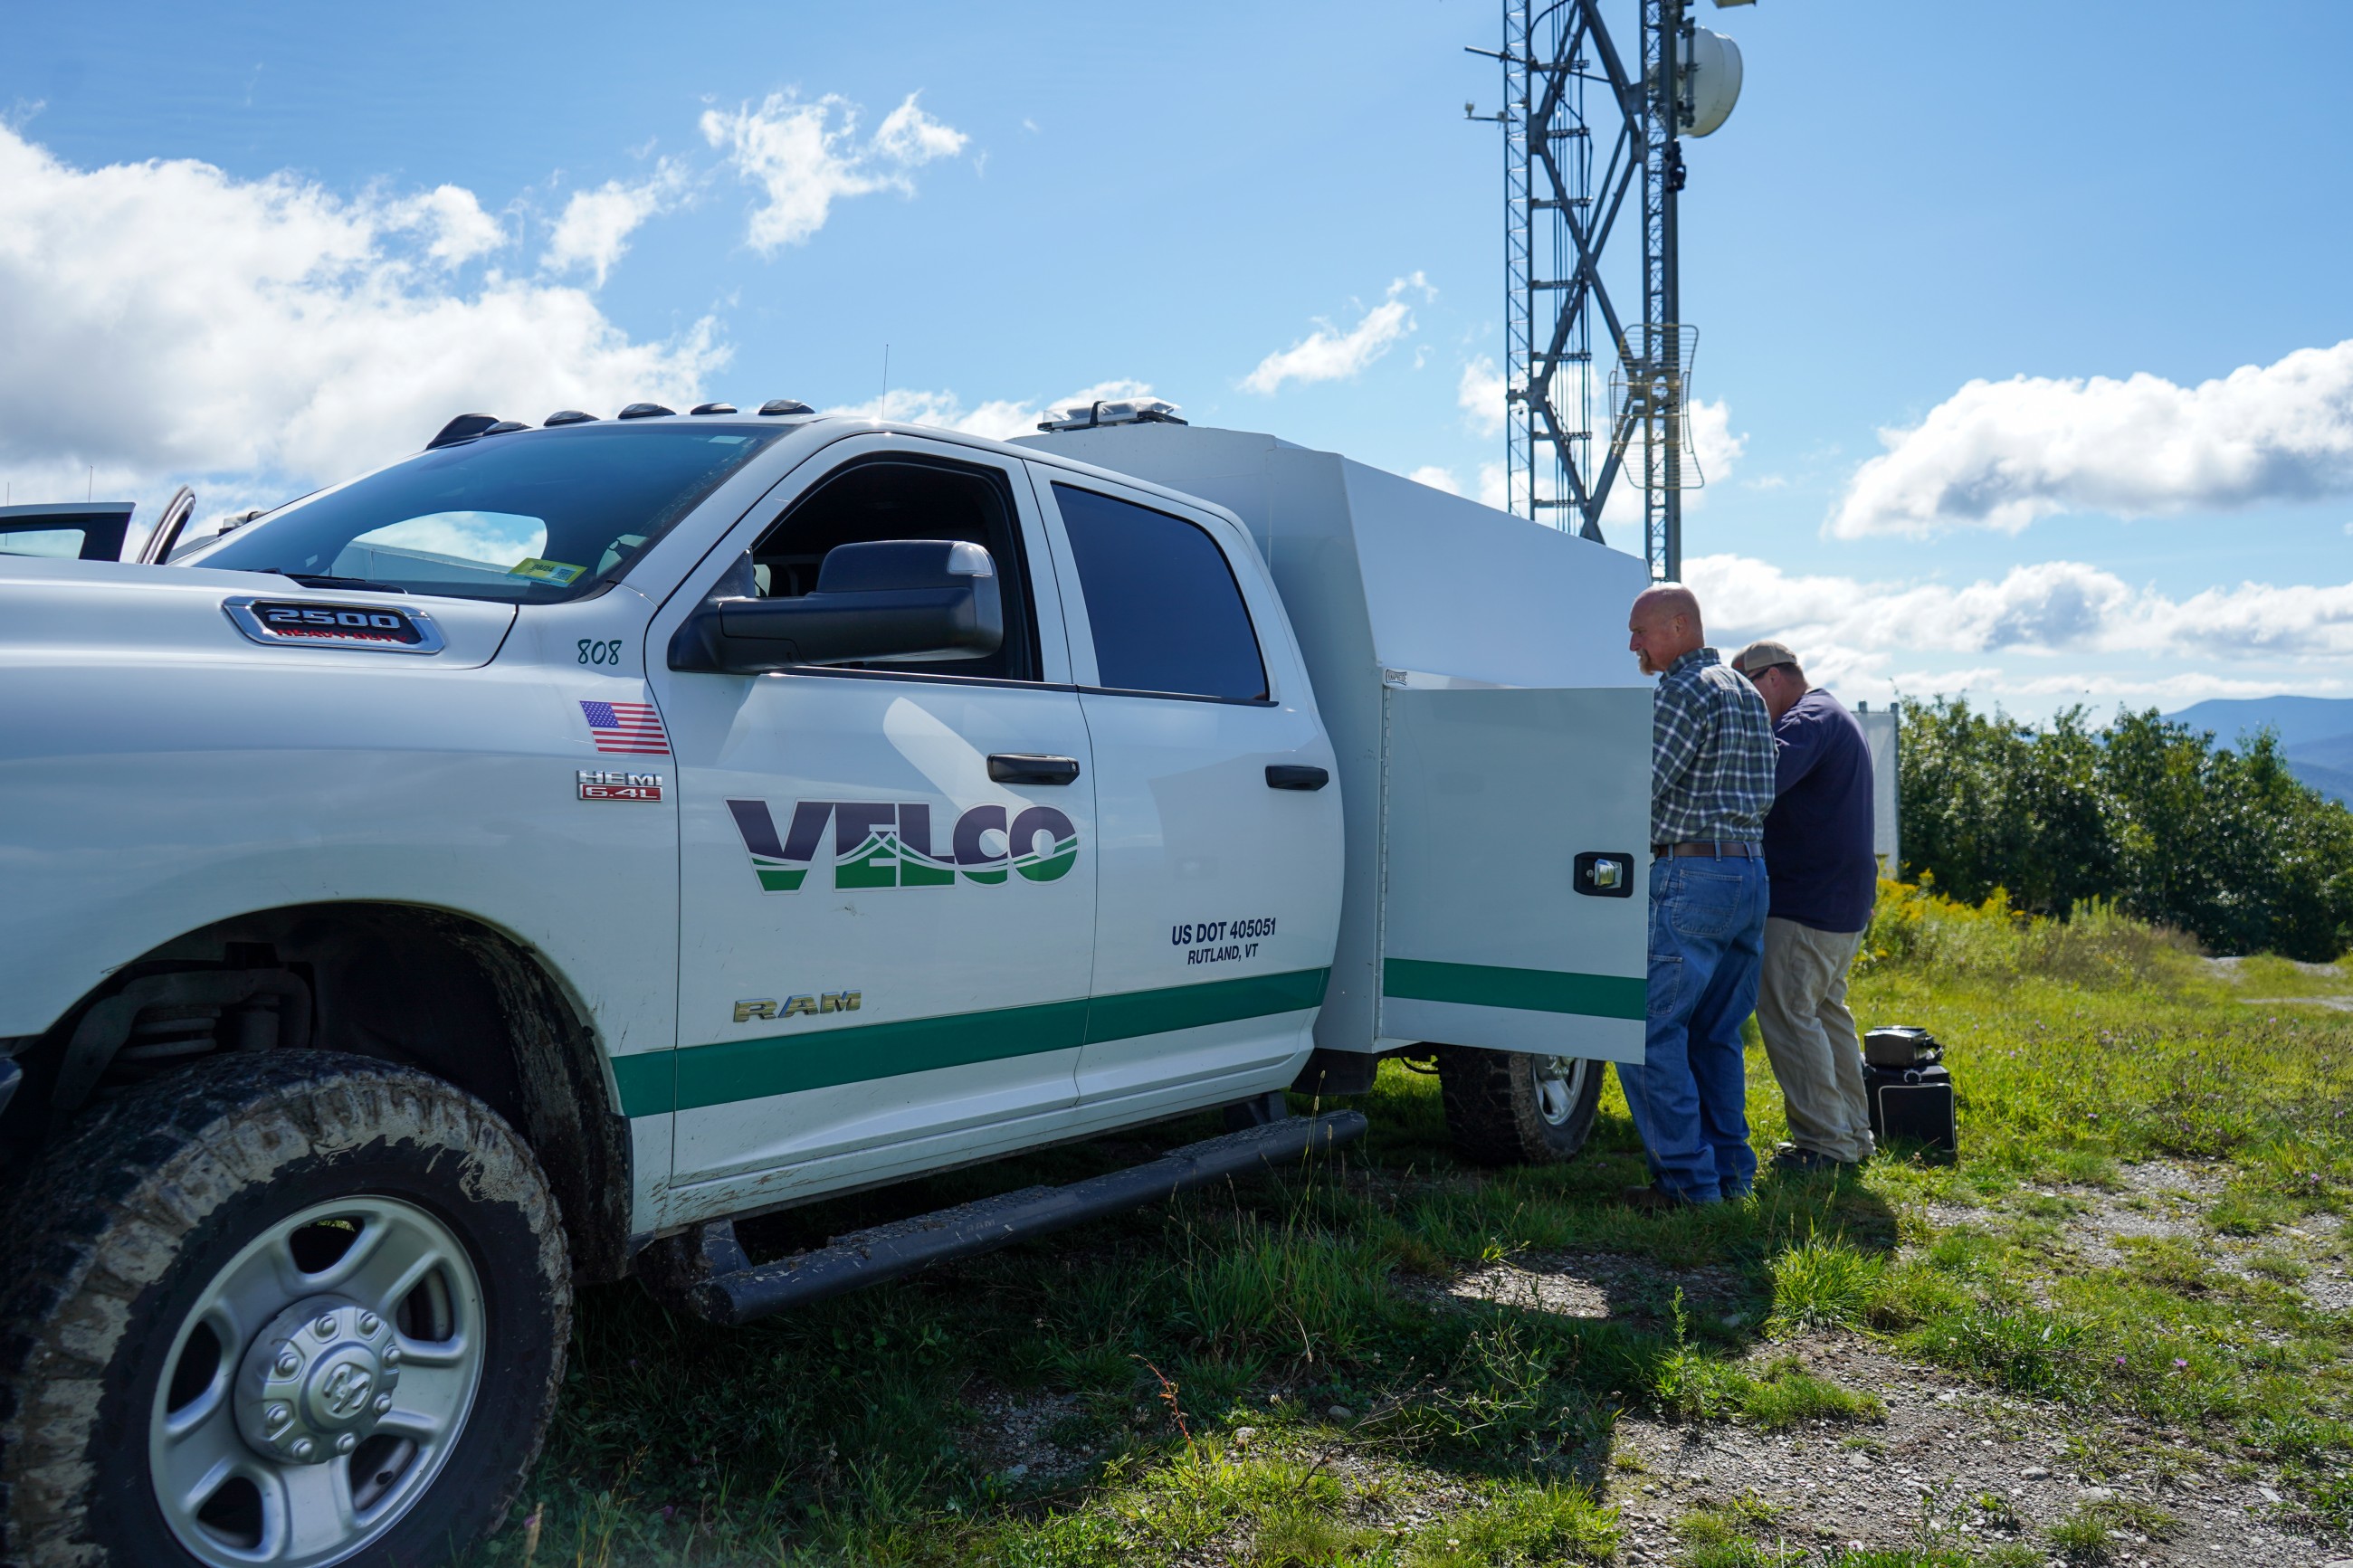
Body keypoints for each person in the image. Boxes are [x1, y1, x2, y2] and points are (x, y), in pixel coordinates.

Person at [1619, 585, 1777, 1209]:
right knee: (1715, 1033)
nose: (1632, 644)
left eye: (1640, 631)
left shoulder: (1684, 688)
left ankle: (1687, 1184)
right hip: (1748, 875)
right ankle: (1732, 1176)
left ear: (1679, 624)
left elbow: (1645, 786)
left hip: (1690, 876)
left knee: (1647, 1033)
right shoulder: (1744, 690)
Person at [1731, 641, 1881, 1174]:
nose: (1747, 707)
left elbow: (1754, 785)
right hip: (1841, 902)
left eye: (1747, 692)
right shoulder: (1834, 714)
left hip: (1805, 902)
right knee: (1824, 1013)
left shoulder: (1805, 720)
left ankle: (1825, 1146)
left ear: (1770, 678)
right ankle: (1853, 1135)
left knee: (1790, 1015)